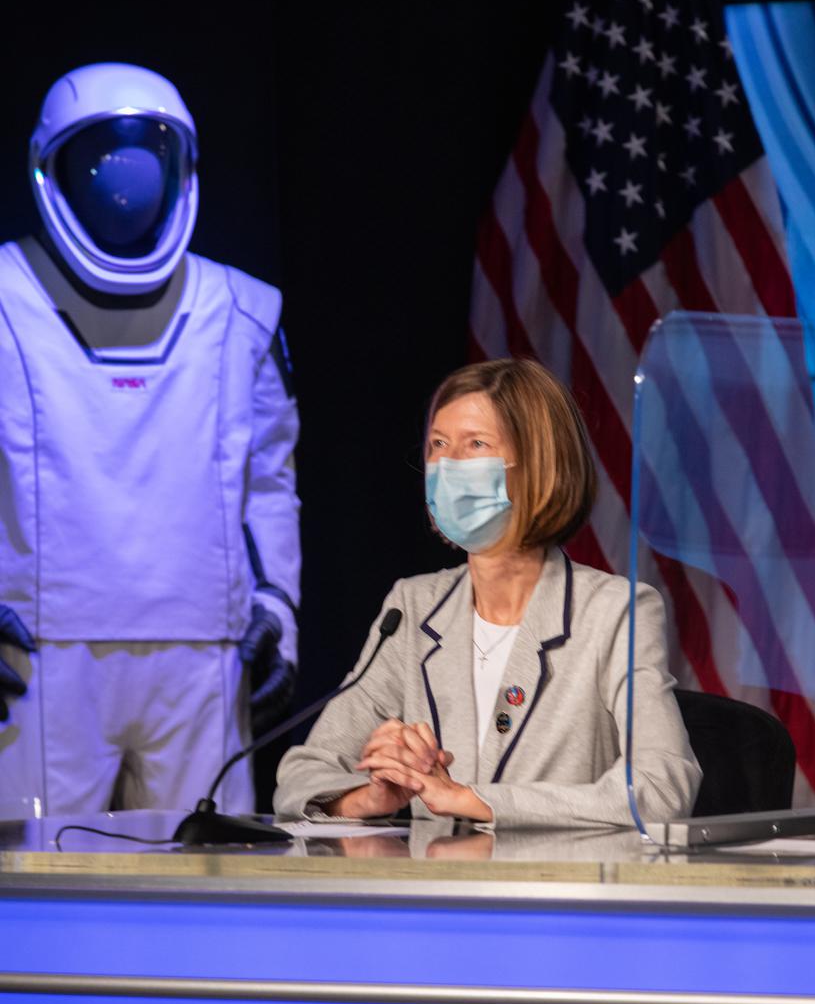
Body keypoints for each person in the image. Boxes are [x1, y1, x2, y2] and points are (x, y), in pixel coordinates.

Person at [0, 63, 300, 814]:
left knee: (206, 892)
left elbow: (269, 481)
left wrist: (278, 608)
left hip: (205, 651)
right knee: (38, 893)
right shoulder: (7, 298)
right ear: (50, 169)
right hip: (37, 653)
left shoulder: (240, 311)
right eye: (100, 164)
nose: (122, 188)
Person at [274, 358, 699, 829]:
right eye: (438, 445)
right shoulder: (413, 608)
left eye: (475, 445)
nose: (448, 466)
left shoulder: (614, 612)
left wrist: (473, 799)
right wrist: (369, 796)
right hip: (432, 895)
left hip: (553, 894)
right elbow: (301, 775)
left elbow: (661, 788)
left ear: (539, 466)